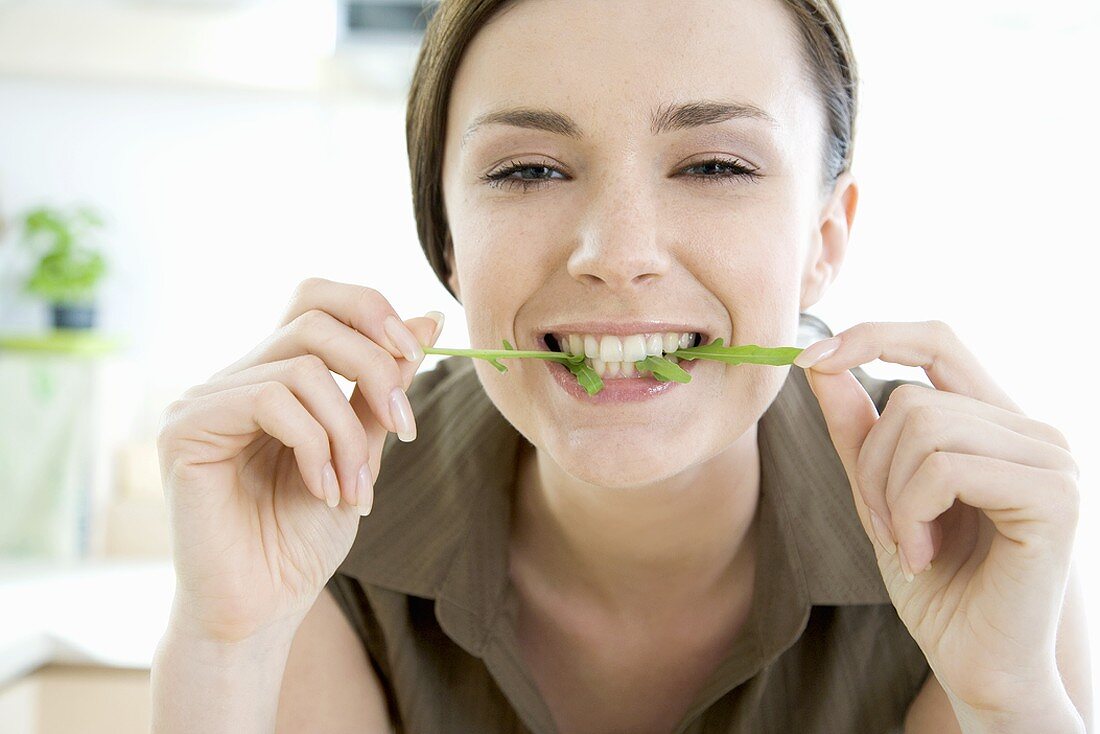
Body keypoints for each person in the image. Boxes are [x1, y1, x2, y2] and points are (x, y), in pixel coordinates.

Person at [150, 0, 1092, 732]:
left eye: (717, 166)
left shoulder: (961, 520)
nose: (618, 251)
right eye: (527, 170)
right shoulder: (328, 503)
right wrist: (225, 641)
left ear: (823, 236)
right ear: (446, 242)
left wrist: (1011, 702)